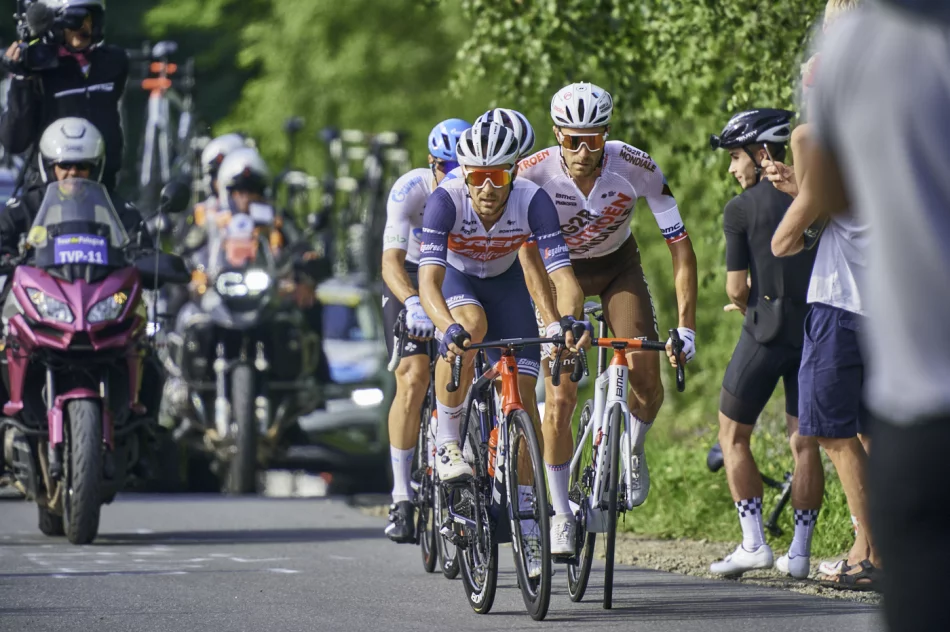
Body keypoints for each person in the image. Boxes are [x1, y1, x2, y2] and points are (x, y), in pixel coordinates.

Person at [791, 0, 950, 624]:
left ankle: (870, 550)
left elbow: (829, 189)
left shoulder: (862, 44)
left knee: (833, 428)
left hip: (917, 374)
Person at [517, 82, 698, 554]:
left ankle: (630, 449)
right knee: (560, 397)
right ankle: (560, 513)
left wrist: (687, 326)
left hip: (618, 267)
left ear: (606, 135)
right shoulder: (532, 173)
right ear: (557, 134)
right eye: (573, 139)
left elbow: (680, 245)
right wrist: (548, 315)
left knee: (648, 382)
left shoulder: (635, 165)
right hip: (559, 274)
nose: (583, 151)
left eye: (593, 139)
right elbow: (524, 251)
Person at [418, 121, 588, 576]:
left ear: (513, 171)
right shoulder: (445, 200)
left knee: (525, 403)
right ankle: (447, 441)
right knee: (470, 327)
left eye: (498, 176)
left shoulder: (532, 200)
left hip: (506, 284)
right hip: (458, 280)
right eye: (477, 177)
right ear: (465, 174)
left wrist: (566, 322)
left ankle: (529, 520)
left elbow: (563, 277)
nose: (488, 188)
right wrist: (446, 327)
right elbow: (428, 281)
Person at [706, 109, 823, 579]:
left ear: (761, 153)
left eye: (736, 157)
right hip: (812, 330)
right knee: (804, 443)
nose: (732, 168)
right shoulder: (815, 195)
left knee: (732, 435)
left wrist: (745, 301)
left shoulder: (740, 209)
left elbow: (736, 288)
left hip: (764, 331)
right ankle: (800, 553)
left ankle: (754, 544)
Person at [380, 116, 471, 543]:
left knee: (469, 366)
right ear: (430, 163)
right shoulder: (410, 190)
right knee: (413, 376)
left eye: (459, 167)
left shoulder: (478, 190)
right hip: (412, 274)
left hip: (455, 274)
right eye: (444, 167)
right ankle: (401, 497)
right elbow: (390, 263)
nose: (451, 175)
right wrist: (413, 302)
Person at [0, 0, 128, 192]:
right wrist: (21, 80)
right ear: (52, 23)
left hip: (102, 188)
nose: (84, 28)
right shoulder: (37, 69)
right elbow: (14, 142)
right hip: (49, 190)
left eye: (90, 19)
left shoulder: (113, 62)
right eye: (74, 20)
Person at [0, 117, 147, 257]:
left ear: (94, 169)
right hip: (38, 276)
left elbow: (143, 251)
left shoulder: (118, 211)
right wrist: (9, 259)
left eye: (82, 165)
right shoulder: (24, 209)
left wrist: (139, 258)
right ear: (49, 167)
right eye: (64, 165)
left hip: (102, 276)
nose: (73, 172)